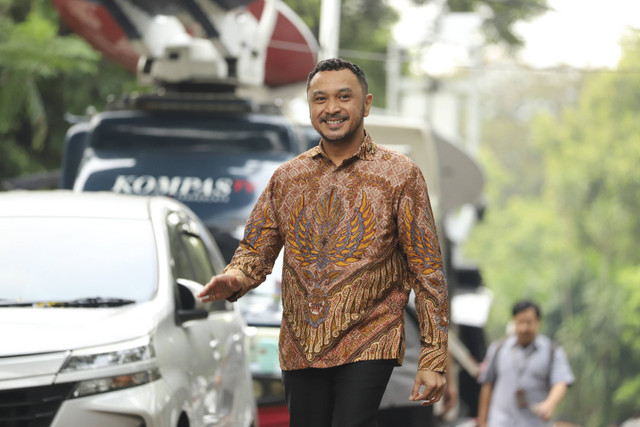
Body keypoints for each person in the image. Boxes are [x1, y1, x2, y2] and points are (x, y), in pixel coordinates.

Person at [198, 57, 449, 427]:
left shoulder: (401, 175)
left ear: (365, 104)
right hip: (301, 343)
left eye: (343, 97)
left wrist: (432, 358)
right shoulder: (287, 177)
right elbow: (255, 251)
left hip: (370, 339)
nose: (331, 108)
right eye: (320, 99)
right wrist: (235, 278)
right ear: (310, 106)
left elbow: (428, 270)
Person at [477, 300, 574, 427]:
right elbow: (487, 384)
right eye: (520, 322)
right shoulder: (498, 349)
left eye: (529, 322)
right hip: (501, 422)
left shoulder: (552, 351)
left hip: (535, 422)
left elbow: (561, 381)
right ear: (513, 322)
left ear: (538, 322)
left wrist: (550, 404)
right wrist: (482, 422)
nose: (524, 328)